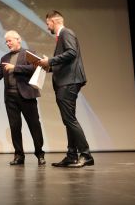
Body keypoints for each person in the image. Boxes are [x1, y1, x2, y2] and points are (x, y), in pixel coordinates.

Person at [38, 10, 94, 168]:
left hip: (69, 81)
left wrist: (50, 61)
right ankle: (71, 155)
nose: (47, 26)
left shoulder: (66, 33)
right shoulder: (61, 36)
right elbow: (67, 59)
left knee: (69, 119)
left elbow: (71, 52)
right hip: (66, 80)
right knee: (68, 119)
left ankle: (86, 154)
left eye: (47, 23)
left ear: (54, 21)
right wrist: (48, 67)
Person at [0, 30, 46, 166]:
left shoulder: (29, 53)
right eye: (6, 41)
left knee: (34, 125)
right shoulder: (4, 58)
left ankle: (40, 154)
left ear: (18, 40)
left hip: (26, 96)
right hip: (10, 97)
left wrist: (15, 67)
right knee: (15, 127)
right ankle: (19, 155)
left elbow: (35, 68)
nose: (7, 43)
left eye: (9, 41)